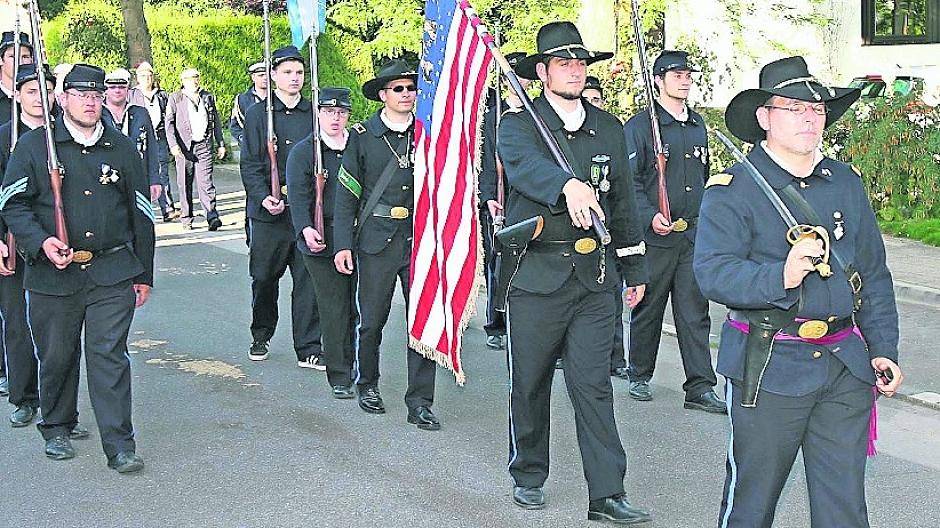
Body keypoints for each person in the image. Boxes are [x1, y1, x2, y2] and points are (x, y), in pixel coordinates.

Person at [693, 56, 904, 527]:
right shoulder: (733, 189)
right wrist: (779, 277)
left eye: (817, 109)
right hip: (770, 367)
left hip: (844, 365)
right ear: (764, 118)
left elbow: (872, 273)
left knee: (844, 508)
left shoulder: (843, 182)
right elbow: (712, 274)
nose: (809, 117)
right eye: (793, 107)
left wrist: (884, 348)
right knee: (752, 503)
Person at [497, 22, 651, 523]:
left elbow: (624, 200)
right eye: (563, 63)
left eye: (581, 63)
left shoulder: (608, 126)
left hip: (594, 277)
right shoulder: (519, 123)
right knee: (531, 381)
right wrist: (567, 185)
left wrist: (634, 266)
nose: (575, 71)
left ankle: (607, 493)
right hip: (537, 274)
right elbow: (521, 167)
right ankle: (528, 473)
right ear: (541, 72)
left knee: (593, 385)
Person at [0, 64, 155, 473]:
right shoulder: (35, 147)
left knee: (109, 356)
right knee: (57, 355)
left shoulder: (121, 148)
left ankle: (119, 445)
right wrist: (40, 242)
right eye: (80, 94)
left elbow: (142, 213)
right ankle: (56, 426)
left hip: (112, 271)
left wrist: (143, 275)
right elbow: (12, 204)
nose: (90, 101)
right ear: (62, 98)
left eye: (96, 94)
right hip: (52, 274)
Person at [333, 59, 440, 430]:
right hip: (375, 240)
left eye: (411, 88)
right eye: (398, 89)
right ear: (383, 95)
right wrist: (342, 244)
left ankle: (421, 401)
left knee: (424, 323)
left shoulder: (428, 133)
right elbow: (346, 195)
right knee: (371, 321)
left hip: (419, 240)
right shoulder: (363, 136)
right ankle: (367, 385)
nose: (407, 94)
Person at [622, 50, 724, 413]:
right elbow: (630, 182)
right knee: (649, 306)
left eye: (687, 73)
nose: (684, 79)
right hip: (655, 237)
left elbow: (703, 177)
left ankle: (700, 386)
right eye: (675, 74)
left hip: (691, 235)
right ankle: (639, 372)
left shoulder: (697, 126)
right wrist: (649, 215)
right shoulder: (640, 127)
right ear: (658, 80)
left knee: (695, 311)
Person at [240, 46, 321, 368]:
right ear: (273, 76)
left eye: (299, 72)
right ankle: (261, 333)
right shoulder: (259, 114)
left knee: (307, 282)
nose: (294, 78)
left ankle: (309, 346)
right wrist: (262, 196)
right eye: (287, 72)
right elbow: (249, 163)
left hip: (303, 212)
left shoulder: (314, 111)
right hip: (268, 215)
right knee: (263, 278)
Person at [286, 87, 356, 396]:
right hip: (320, 237)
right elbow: (298, 196)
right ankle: (339, 374)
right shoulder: (305, 151)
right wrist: (304, 228)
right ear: (318, 114)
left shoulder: (357, 146)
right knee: (333, 306)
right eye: (329, 112)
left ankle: (356, 363)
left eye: (341, 113)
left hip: (354, 237)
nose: (335, 118)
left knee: (357, 307)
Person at [0, 63, 52, 428]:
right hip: (11, 243)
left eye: (46, 90)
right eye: (32, 91)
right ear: (17, 95)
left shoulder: (61, 136)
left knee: (55, 330)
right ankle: (24, 396)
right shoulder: (2, 136)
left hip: (54, 242)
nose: (40, 98)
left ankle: (58, 405)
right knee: (17, 323)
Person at [478, 51, 527, 352]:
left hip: (529, 195)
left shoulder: (539, 115)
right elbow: (482, 160)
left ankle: (522, 320)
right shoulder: (491, 117)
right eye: (513, 75)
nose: (518, 81)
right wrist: (487, 197)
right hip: (499, 197)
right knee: (497, 262)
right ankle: (496, 323)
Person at [165, 67, 224, 230]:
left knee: (206, 183)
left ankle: (212, 216)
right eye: (190, 78)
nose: (194, 81)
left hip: (203, 145)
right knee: (184, 183)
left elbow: (216, 121)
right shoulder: (175, 98)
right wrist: (173, 145)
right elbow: (168, 124)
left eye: (196, 77)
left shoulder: (207, 96)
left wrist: (220, 143)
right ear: (183, 81)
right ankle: (186, 218)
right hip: (184, 148)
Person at [103, 68, 162, 218]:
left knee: (141, 221)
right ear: (106, 90)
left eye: (122, 87)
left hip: (138, 177)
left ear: (128, 90)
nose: (117, 90)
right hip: (107, 180)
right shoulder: (98, 114)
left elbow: (152, 149)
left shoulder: (140, 113)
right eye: (112, 87)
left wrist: (155, 180)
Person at [128, 61, 177, 222]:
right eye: (143, 76)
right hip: (138, 141)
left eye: (149, 75)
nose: (146, 79)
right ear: (137, 78)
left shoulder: (162, 95)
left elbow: (169, 118)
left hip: (159, 137)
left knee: (162, 173)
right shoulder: (132, 95)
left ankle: (167, 207)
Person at [230, 60, 267, 245]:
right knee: (253, 192)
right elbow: (235, 126)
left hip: (273, 153)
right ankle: (251, 235)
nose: (265, 79)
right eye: (260, 75)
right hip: (253, 152)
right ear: (253, 77)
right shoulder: (243, 100)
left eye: (267, 74)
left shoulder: (278, 97)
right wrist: (246, 141)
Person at [0, 31, 33, 124]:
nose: (19, 62)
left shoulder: (41, 98)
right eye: (12, 56)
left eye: (25, 57)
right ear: (1, 60)